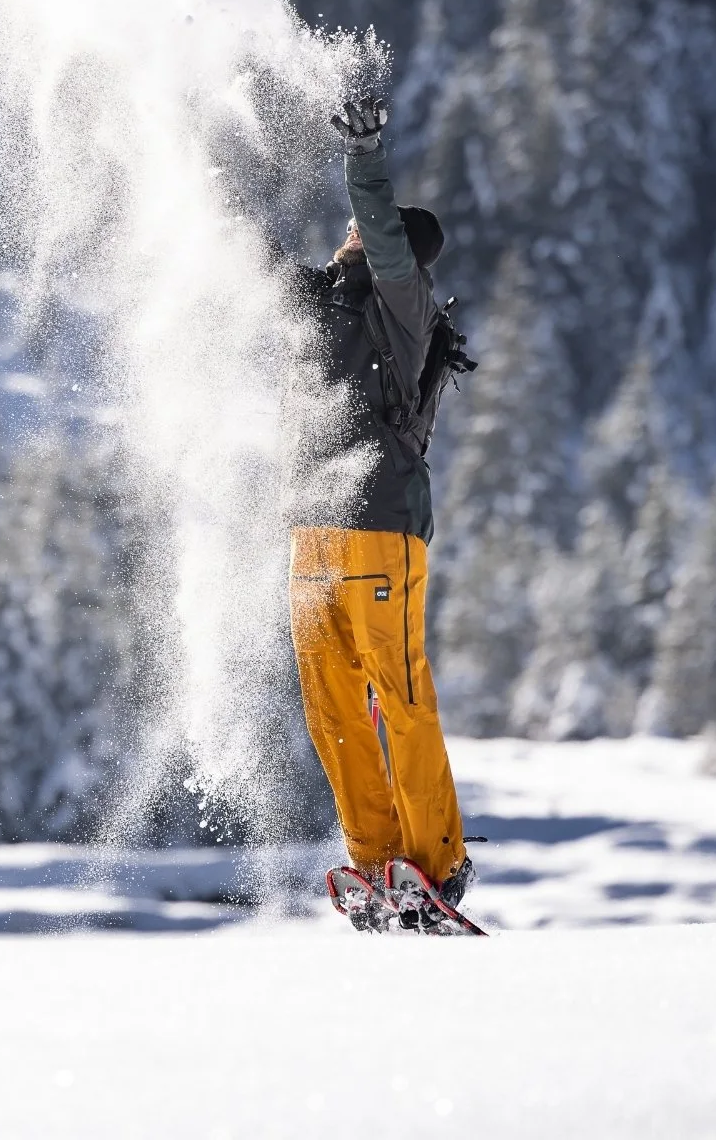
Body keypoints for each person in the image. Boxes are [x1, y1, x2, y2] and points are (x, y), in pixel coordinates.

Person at [284, 95, 474, 930]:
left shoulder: (404, 305)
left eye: (368, 228)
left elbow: (386, 240)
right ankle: (377, 857)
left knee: (397, 693)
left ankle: (437, 863)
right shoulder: (330, 303)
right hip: (312, 531)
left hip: (379, 523)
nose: (353, 232)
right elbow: (244, 268)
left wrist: (365, 157)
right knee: (330, 705)